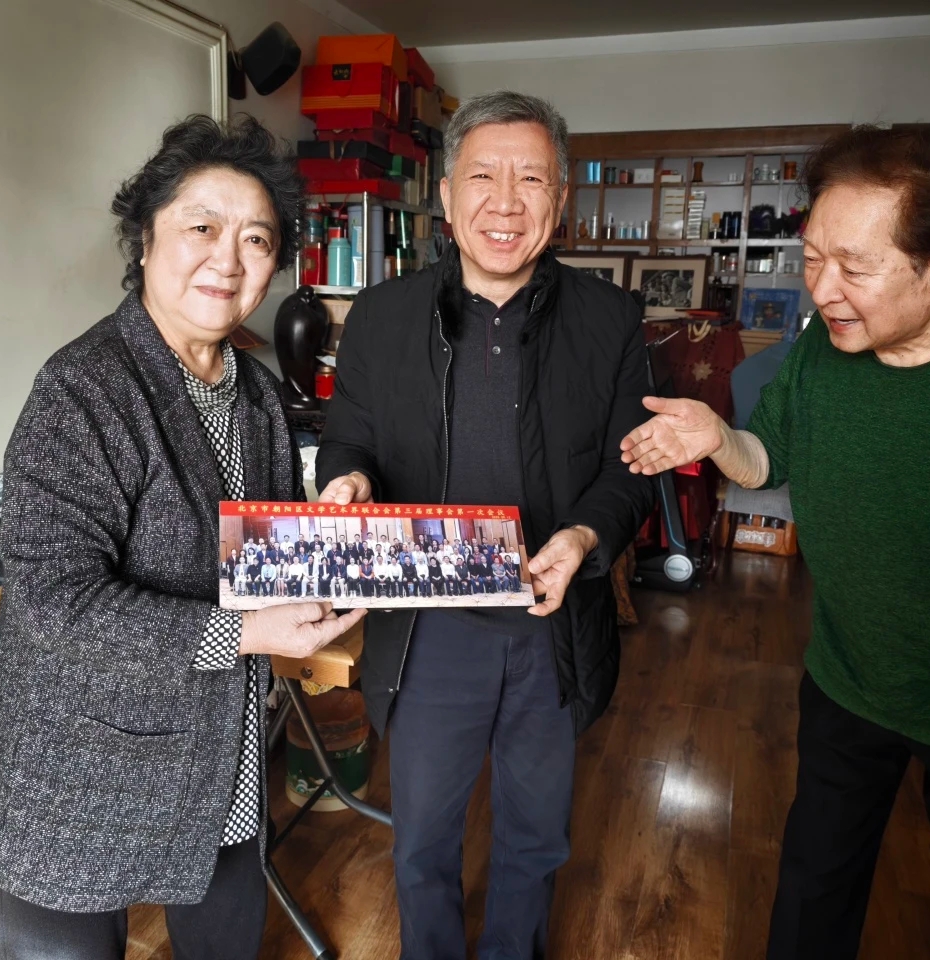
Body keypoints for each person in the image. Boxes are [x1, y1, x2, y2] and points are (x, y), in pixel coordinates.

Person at [622, 124, 930, 960]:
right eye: (813, 258)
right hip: (848, 676)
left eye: (855, 268)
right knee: (812, 892)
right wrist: (718, 437)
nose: (824, 290)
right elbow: (766, 458)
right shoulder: (825, 347)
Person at [0, 116, 365, 960]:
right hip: (75, 765)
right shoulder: (83, 387)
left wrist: (326, 524)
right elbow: (53, 600)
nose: (229, 259)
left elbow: (249, 555)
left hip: (218, 749)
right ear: (145, 240)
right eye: (202, 227)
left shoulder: (255, 392)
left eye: (257, 239)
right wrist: (247, 632)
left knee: (225, 939)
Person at [318, 92, 653, 960]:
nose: (506, 203)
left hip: (551, 625)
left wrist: (583, 539)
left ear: (561, 199)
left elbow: (629, 467)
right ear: (444, 194)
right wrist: (348, 479)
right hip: (430, 629)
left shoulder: (610, 320)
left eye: (531, 179)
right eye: (483, 177)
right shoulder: (381, 316)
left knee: (536, 841)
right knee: (422, 843)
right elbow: (348, 437)